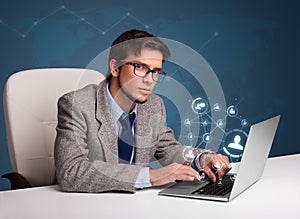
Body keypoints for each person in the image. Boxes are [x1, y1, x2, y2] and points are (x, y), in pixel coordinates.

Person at [54, 29, 231, 193]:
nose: (150, 80)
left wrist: (202, 158)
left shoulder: (154, 105)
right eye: (140, 67)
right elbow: (70, 171)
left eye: (156, 71)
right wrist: (150, 177)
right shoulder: (76, 105)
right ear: (115, 67)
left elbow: (168, 149)